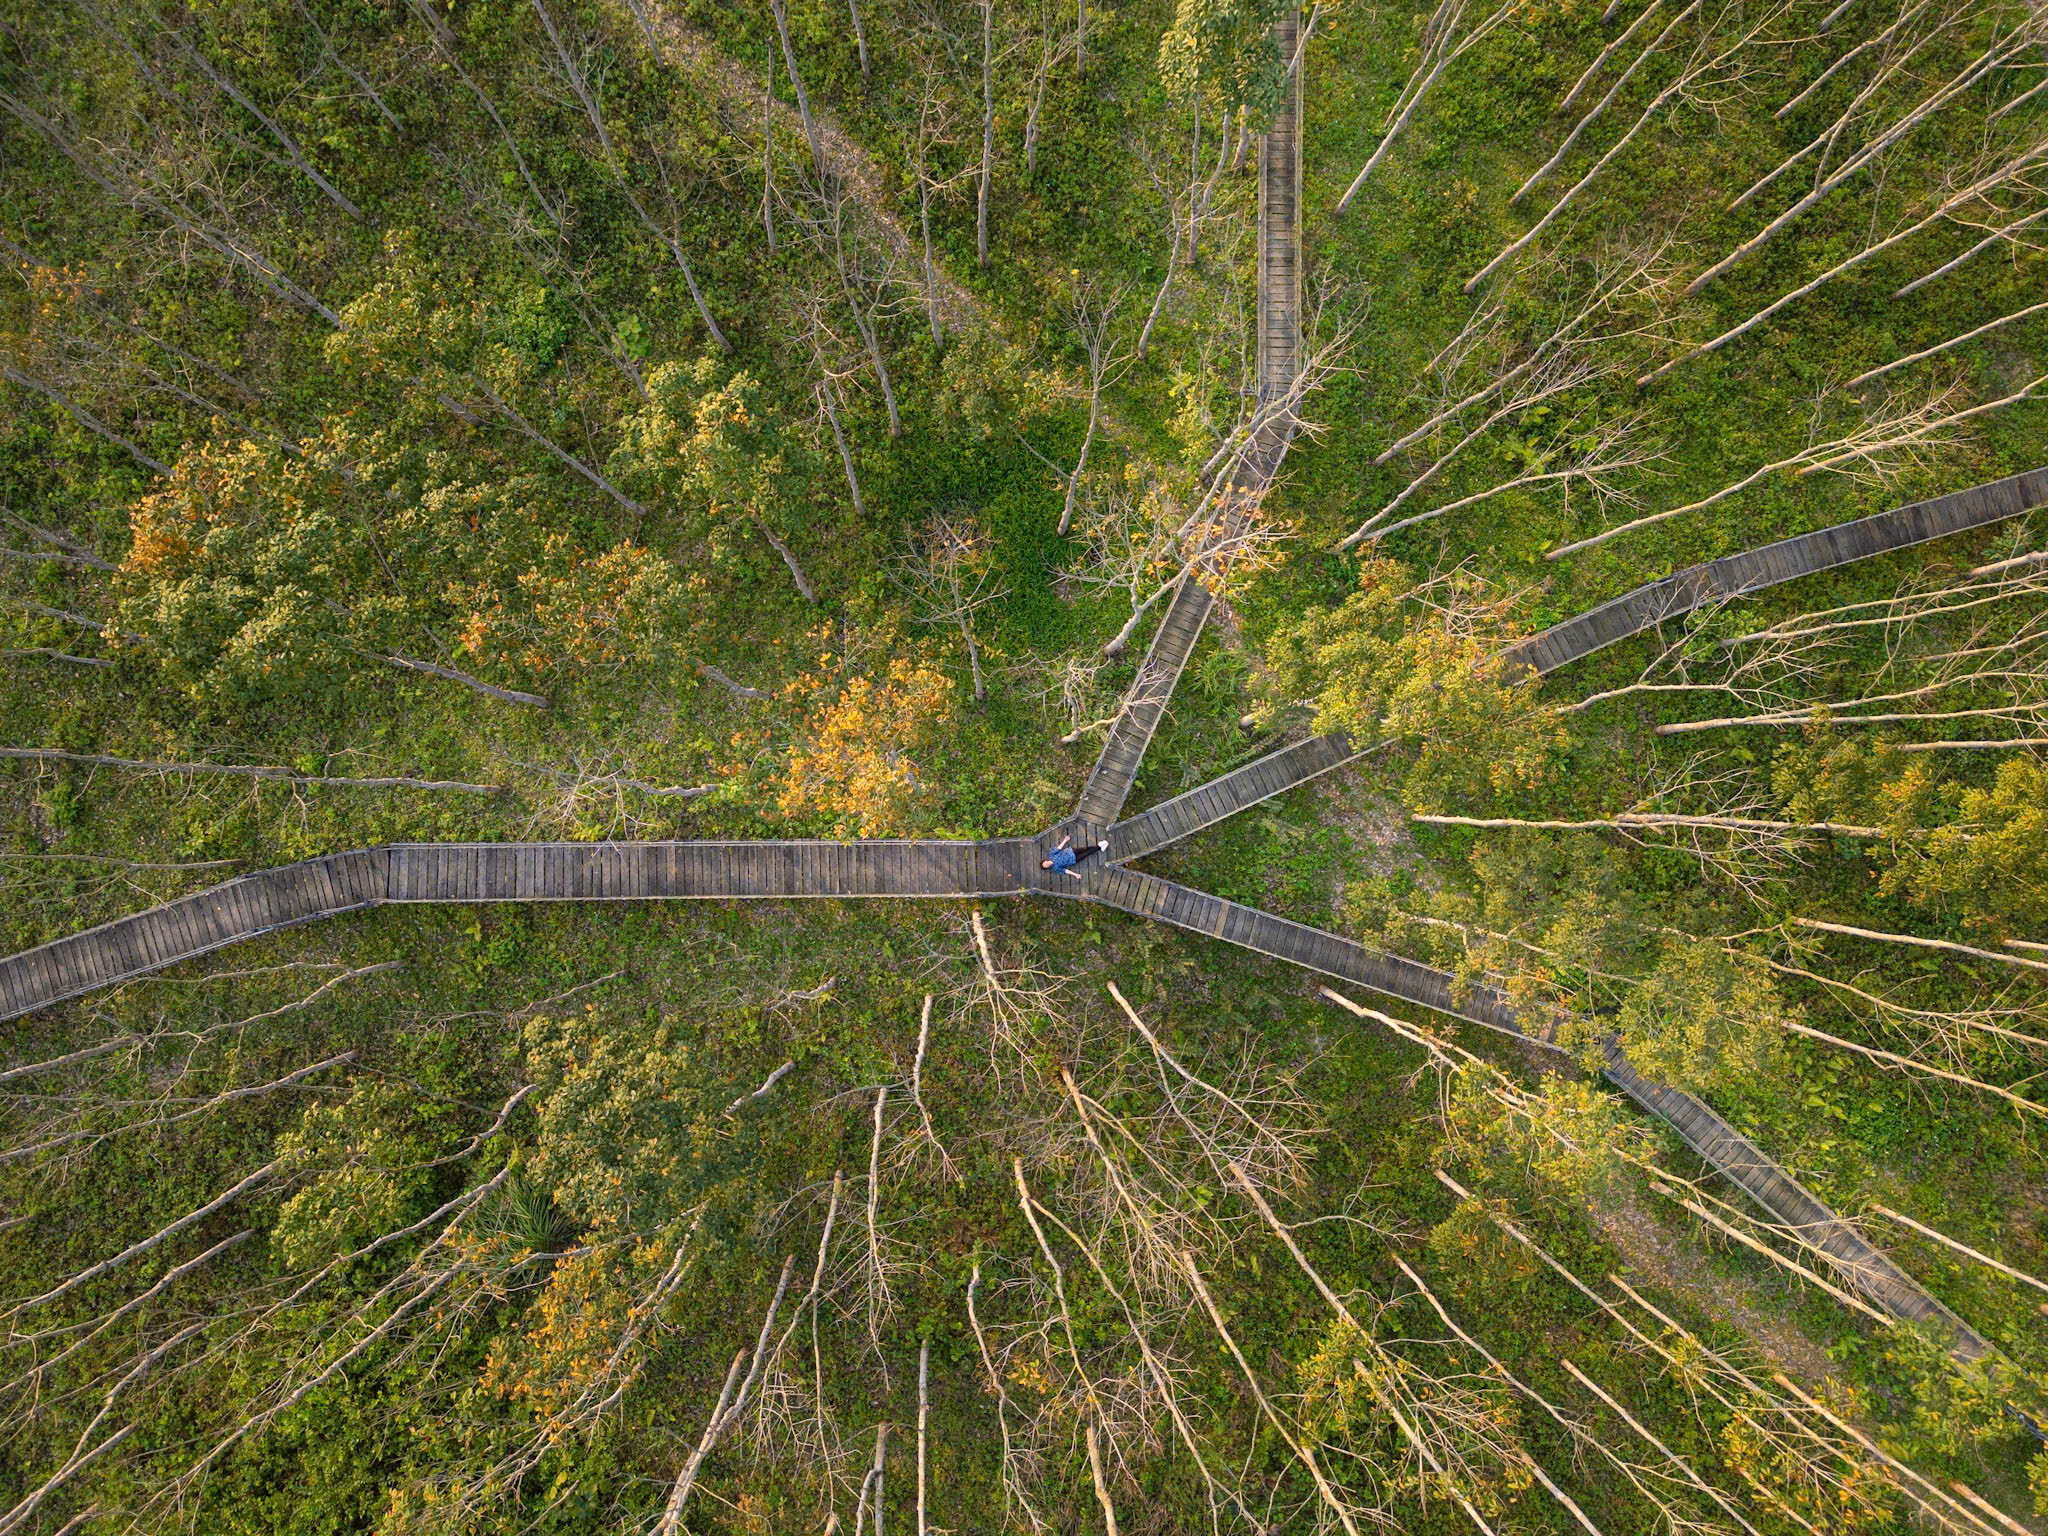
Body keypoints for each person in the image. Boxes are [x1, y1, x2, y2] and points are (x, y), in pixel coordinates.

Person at [1040, 832, 1107, 878]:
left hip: (1071, 851)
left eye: (1044, 864)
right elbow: (1065, 871)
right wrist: (1075, 875)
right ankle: (1099, 847)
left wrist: (1065, 840)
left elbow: (1059, 848)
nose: (1046, 865)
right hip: (1074, 860)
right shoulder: (1056, 868)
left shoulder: (1051, 855)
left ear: (1045, 861)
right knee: (1087, 853)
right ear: (1047, 867)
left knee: (1085, 848)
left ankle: (1099, 847)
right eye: (1045, 866)